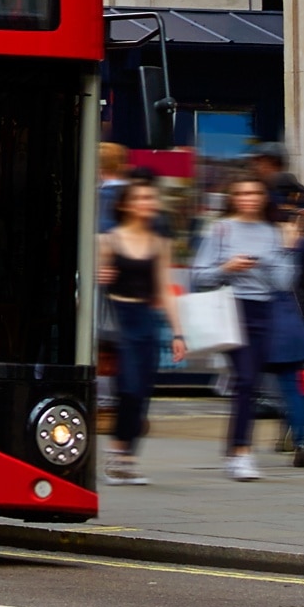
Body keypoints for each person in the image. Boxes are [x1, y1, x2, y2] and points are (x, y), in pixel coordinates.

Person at [188, 170, 304, 479]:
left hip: (263, 311)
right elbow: (198, 276)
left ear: (263, 198)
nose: (248, 200)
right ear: (233, 197)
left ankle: (236, 450)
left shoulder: (272, 232)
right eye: (242, 194)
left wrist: (282, 253)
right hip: (231, 308)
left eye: (255, 194)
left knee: (251, 382)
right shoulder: (220, 230)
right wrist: (227, 267)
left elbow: (284, 283)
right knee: (245, 379)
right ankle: (241, 452)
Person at [99, 176, 175, 485]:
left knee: (142, 390)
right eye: (141, 198)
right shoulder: (108, 240)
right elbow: (91, 283)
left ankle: (128, 457)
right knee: (128, 388)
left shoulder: (159, 242)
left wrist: (179, 333)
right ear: (126, 204)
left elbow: (165, 289)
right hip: (120, 318)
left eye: (151, 199)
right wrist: (99, 276)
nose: (148, 204)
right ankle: (117, 452)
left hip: (146, 319)